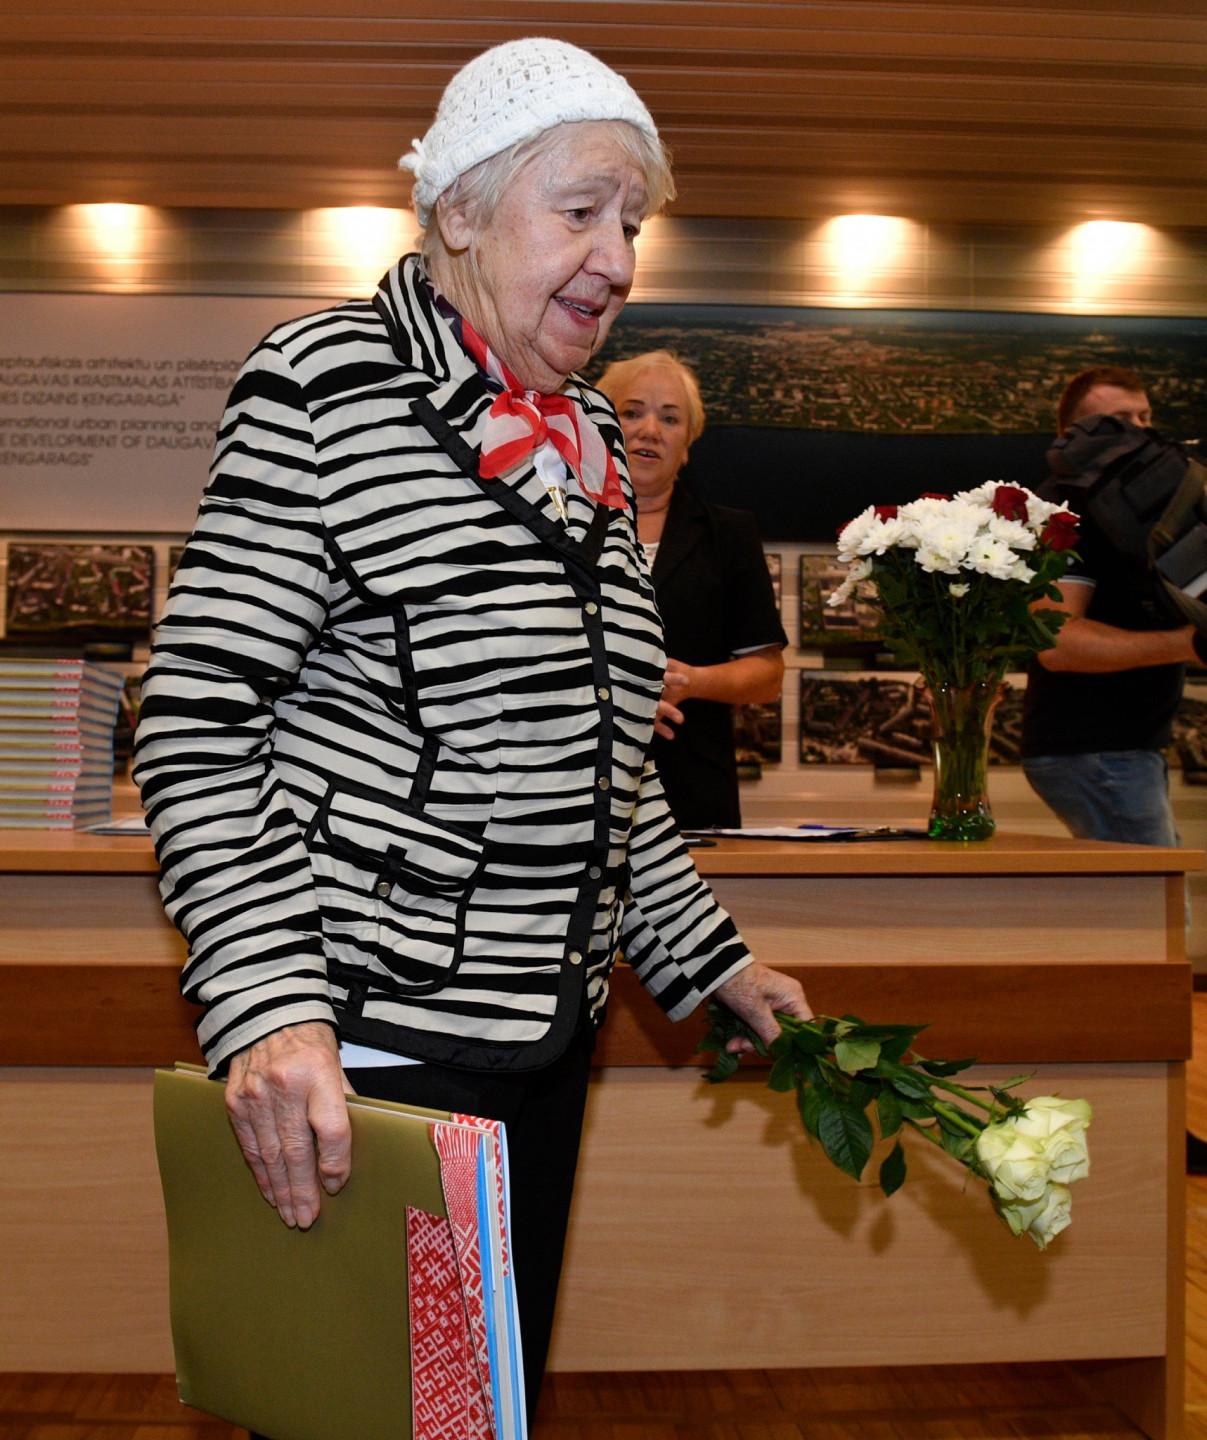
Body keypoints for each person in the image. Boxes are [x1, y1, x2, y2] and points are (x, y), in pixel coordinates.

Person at [133, 37, 811, 1425]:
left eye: (633, 222)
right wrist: (268, 1008)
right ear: (459, 209)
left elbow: (601, 768)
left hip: (546, 1041)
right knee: (363, 1416)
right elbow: (199, 722)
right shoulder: (324, 384)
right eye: (581, 211)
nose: (618, 259)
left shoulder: (589, 439)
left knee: (475, 1411)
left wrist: (715, 968)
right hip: (367, 1060)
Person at [595, 351, 786, 828]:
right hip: (569, 787)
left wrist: (692, 681)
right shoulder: (556, 526)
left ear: (686, 445)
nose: (650, 430)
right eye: (632, 412)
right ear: (598, 426)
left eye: (670, 418)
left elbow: (768, 675)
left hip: (691, 792)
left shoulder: (729, 534)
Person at [1021, 365, 1199, 847]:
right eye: (1119, 419)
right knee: (1151, 893)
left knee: (1143, 891)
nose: (1140, 430)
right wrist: (1191, 644)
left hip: (1120, 749)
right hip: (1095, 750)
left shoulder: (1124, 505)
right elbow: (1057, 642)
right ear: (1070, 432)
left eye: (1145, 417)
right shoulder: (1067, 508)